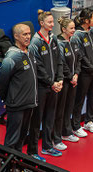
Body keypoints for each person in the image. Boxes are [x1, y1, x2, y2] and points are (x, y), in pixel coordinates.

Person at [27, 10, 63, 160]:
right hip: (42, 87)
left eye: (52, 22)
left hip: (54, 85)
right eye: (49, 22)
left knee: (50, 117)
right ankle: (32, 151)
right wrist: (51, 82)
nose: (52, 24)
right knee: (37, 119)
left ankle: (48, 146)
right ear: (41, 23)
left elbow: (59, 60)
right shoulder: (35, 42)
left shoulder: (53, 39)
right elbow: (38, 67)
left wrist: (60, 79)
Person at [0, 24, 37, 153]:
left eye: (29, 34)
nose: (28, 37)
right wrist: (7, 99)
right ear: (16, 36)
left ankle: (18, 164)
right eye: (24, 34)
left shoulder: (29, 52)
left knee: (21, 138)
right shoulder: (11, 57)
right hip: (16, 105)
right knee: (12, 140)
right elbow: (2, 81)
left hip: (29, 103)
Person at [71, 8, 93, 137]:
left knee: (92, 96)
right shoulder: (77, 36)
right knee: (80, 99)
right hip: (86, 73)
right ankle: (75, 125)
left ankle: (89, 121)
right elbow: (81, 56)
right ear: (86, 20)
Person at [53, 17, 81, 151]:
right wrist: (70, 76)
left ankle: (66, 132)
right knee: (60, 110)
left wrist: (76, 74)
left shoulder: (73, 41)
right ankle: (56, 138)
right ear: (63, 29)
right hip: (64, 81)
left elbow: (79, 58)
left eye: (74, 28)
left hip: (73, 79)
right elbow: (62, 63)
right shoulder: (59, 43)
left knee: (69, 107)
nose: (74, 30)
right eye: (71, 28)